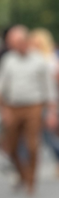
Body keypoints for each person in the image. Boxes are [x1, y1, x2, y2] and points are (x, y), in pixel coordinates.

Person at [0, 25, 58, 195]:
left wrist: (51, 112)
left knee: (32, 145)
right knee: (11, 146)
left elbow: (48, 88)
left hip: (33, 106)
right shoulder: (9, 60)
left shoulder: (38, 60)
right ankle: (22, 173)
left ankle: (31, 180)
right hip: (13, 106)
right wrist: (2, 109)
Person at [29, 28, 59, 174]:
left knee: (47, 136)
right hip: (33, 102)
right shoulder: (33, 59)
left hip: (46, 103)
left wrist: (52, 108)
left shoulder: (50, 61)